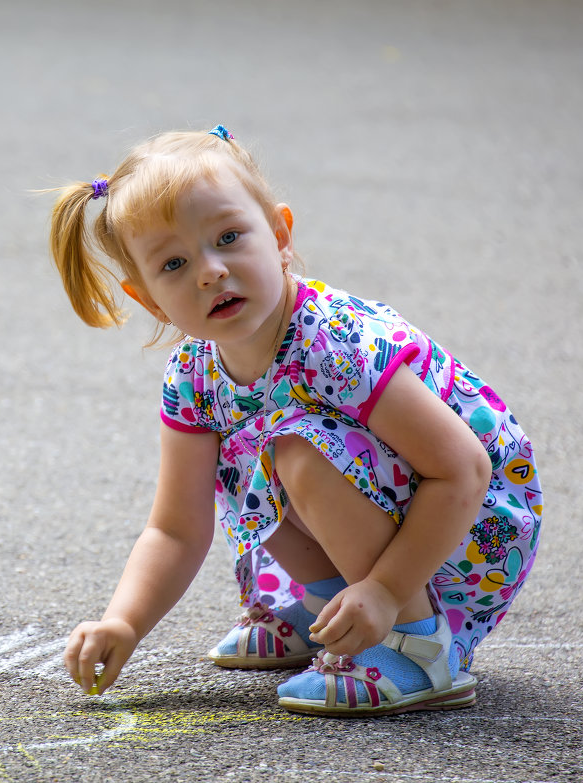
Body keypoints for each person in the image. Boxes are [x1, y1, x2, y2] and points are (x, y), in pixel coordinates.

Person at [49, 125, 542, 715]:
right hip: (400, 504)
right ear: (149, 299)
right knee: (245, 459)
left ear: (280, 234)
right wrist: (123, 621)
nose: (210, 271)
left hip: (471, 526)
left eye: (229, 237)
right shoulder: (193, 374)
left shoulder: (334, 343)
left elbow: (463, 468)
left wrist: (386, 593)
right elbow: (175, 530)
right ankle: (327, 613)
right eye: (174, 263)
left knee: (296, 448)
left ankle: (414, 647)